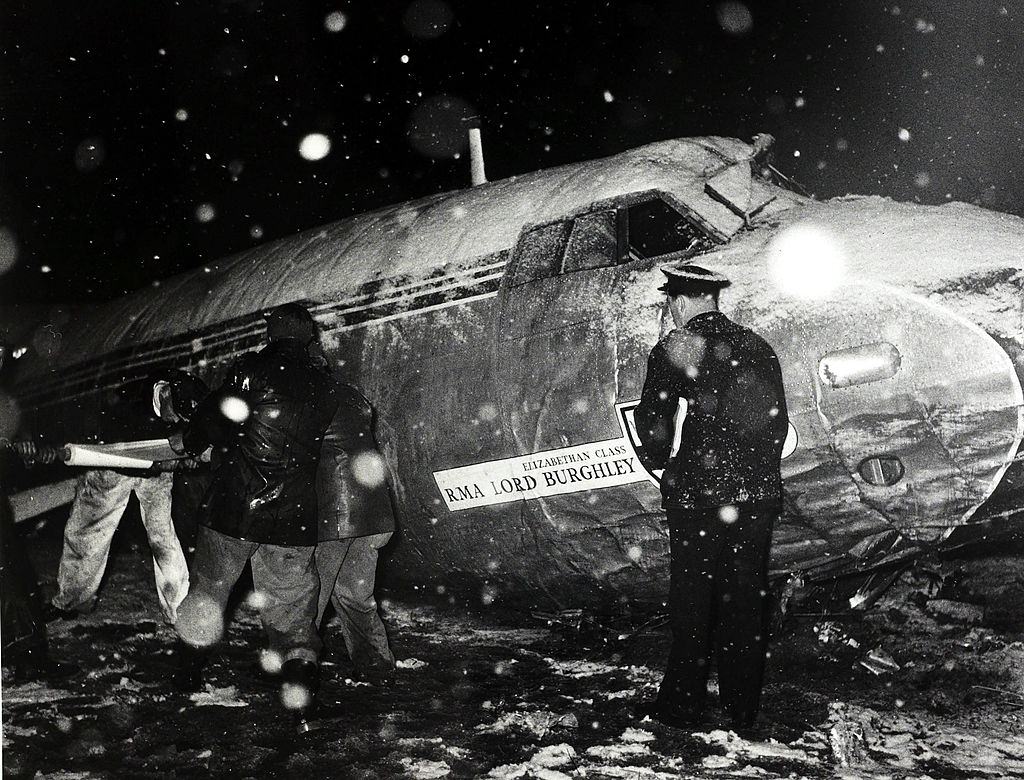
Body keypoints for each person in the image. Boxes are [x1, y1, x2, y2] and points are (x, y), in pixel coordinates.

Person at [634, 261, 789, 734]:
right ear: (714, 301)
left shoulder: (677, 345)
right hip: (756, 497)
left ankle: (682, 708)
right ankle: (742, 709)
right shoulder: (758, 346)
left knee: (693, 602)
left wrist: (659, 457)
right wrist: (756, 475)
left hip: (701, 498)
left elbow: (655, 422)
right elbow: (776, 423)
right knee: (744, 602)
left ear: (678, 303)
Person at [173, 303, 337, 726]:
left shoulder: (252, 369)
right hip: (294, 519)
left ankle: (185, 675)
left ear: (273, 334)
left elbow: (216, 420)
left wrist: (189, 440)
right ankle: (298, 695)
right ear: (308, 338)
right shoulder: (325, 385)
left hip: (234, 510)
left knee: (209, 592)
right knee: (295, 617)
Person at [47, 370, 207, 625]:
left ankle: (178, 608)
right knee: (88, 533)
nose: (178, 422)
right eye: (176, 416)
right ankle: (72, 600)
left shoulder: (189, 391)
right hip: (110, 468)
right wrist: (159, 466)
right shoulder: (124, 402)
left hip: (158, 464)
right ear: (164, 395)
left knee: (162, 537)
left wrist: (186, 455)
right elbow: (111, 448)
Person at [314, 382, 397, 684]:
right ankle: (376, 667)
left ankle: (296, 677)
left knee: (309, 599)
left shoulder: (303, 398)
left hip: (333, 518)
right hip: (373, 514)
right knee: (355, 595)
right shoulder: (351, 395)